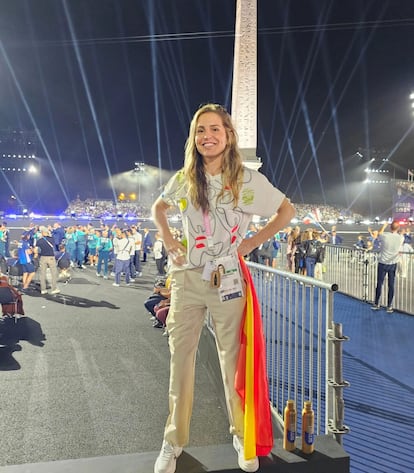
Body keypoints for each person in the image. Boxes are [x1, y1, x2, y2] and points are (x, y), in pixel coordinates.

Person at [151, 103, 295, 473]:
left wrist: (253, 242)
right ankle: (173, 440)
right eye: (201, 130)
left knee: (234, 360)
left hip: (229, 279)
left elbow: (286, 211)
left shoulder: (247, 181)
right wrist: (168, 239)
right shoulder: (184, 178)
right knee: (180, 359)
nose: (208, 136)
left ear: (229, 135)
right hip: (186, 278)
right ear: (193, 138)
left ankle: (239, 433)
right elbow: (158, 208)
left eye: (215, 129)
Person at [371, 220, 404, 313]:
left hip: (382, 262)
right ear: (398, 228)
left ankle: (376, 303)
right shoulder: (401, 238)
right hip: (393, 263)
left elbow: (379, 233)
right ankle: (389, 306)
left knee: (379, 284)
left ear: (390, 227)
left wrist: (384, 225)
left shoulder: (385, 236)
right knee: (391, 285)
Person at [34, 226, 60, 295]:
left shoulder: (39, 241)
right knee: (53, 273)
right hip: (51, 257)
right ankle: (54, 288)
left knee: (42, 274)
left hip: (43, 257)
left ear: (42, 233)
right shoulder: (52, 239)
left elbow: (36, 250)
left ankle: (43, 289)